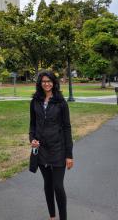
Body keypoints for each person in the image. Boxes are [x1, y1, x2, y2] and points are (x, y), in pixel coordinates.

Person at [29, 70, 74, 220]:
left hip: (58, 149)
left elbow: (67, 128)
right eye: (43, 81)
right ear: (40, 83)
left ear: (54, 83)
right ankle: (52, 216)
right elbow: (33, 125)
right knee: (48, 185)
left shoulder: (61, 102)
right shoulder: (35, 101)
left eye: (49, 81)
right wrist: (32, 139)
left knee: (58, 186)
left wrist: (69, 155)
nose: (46, 84)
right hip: (41, 149)